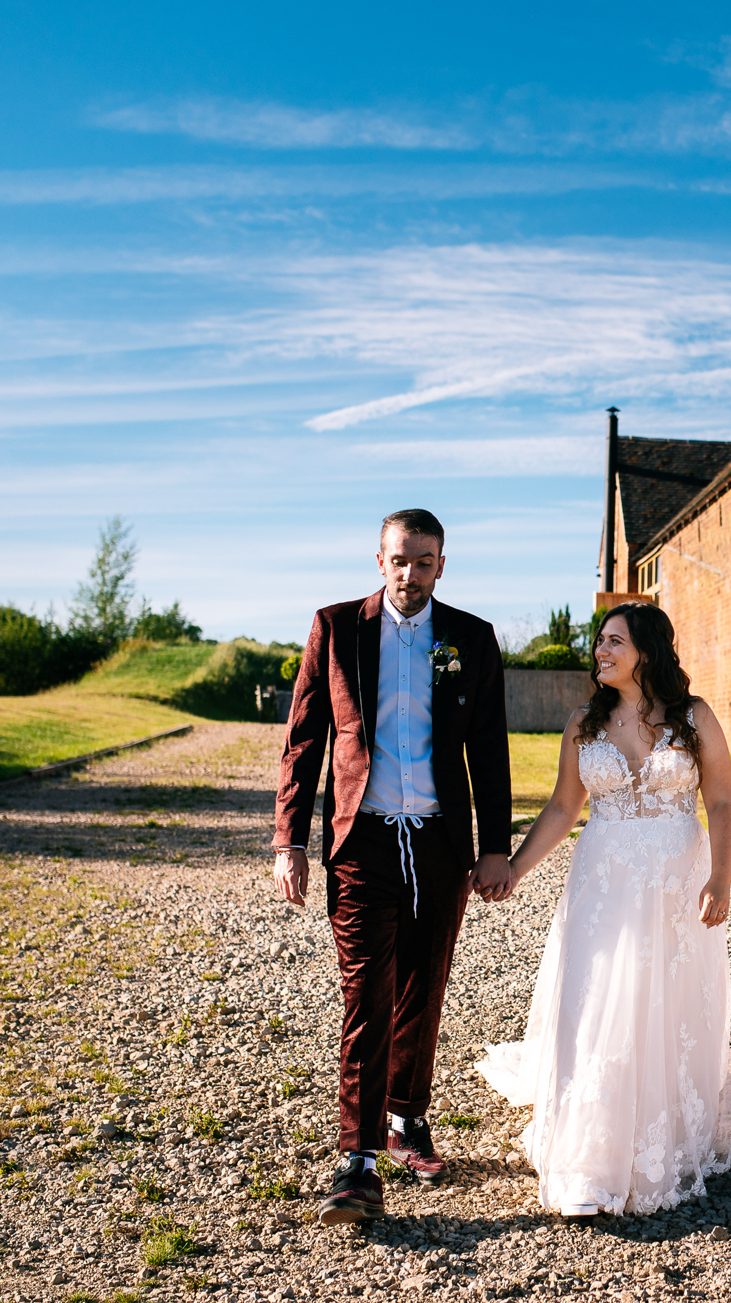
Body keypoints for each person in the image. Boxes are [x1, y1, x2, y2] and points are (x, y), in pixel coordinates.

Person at [272, 509, 514, 1225]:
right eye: (400, 560)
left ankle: (407, 1117)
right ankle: (358, 1160)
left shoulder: (471, 638)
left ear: (443, 565)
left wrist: (494, 845)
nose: (412, 574)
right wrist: (289, 841)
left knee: (424, 986)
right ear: (379, 560)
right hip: (363, 841)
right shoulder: (337, 627)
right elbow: (303, 739)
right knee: (366, 994)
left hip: (440, 842)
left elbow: (490, 749)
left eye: (426, 561)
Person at [475, 602, 731, 1217]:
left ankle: (663, 1134)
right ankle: (589, 1159)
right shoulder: (582, 725)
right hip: (603, 883)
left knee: (665, 1000)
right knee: (595, 1002)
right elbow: (565, 809)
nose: (601, 651)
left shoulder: (695, 720)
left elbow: (721, 804)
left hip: (676, 883)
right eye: (600, 642)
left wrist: (720, 878)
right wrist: (514, 868)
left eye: (615, 641)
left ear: (646, 650)